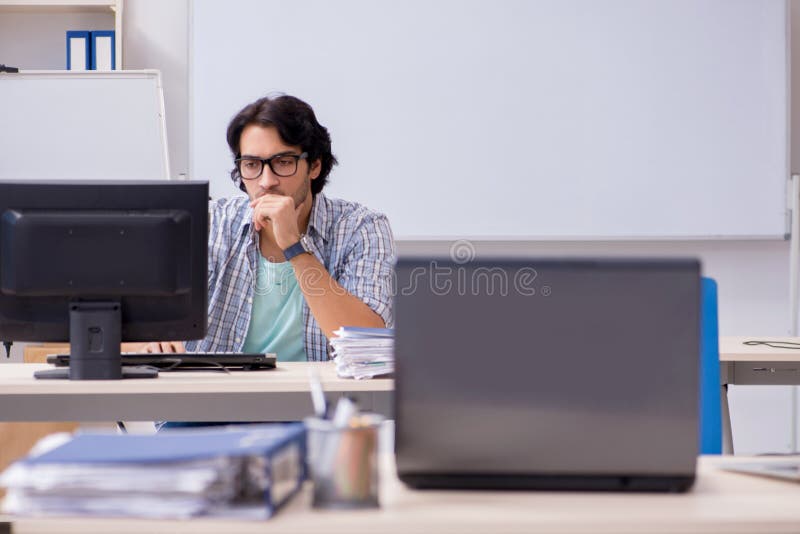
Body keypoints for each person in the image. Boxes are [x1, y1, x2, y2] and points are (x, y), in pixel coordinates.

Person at [145, 95, 395, 361]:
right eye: (252, 165)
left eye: (283, 162)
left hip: (316, 396)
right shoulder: (210, 224)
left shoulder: (362, 228)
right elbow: (126, 330)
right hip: (220, 393)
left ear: (315, 166)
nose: (267, 181)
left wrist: (294, 247)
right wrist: (152, 342)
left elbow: (365, 343)